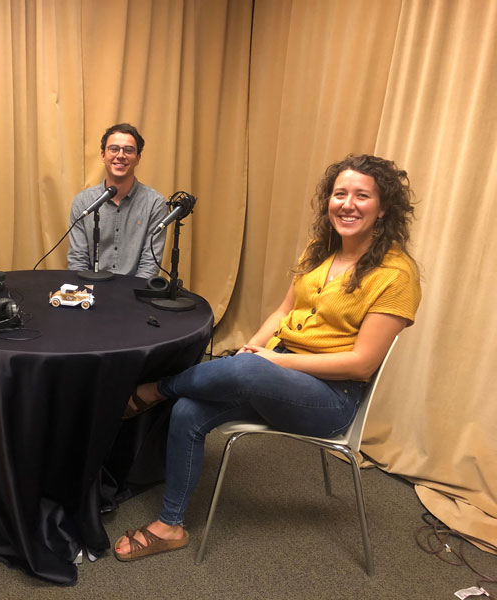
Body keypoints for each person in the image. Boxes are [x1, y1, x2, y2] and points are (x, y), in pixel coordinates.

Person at [114, 154, 421, 561]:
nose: (347, 204)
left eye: (362, 196)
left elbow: (362, 364)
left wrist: (269, 364)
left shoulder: (396, 275)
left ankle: (155, 389)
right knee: (189, 410)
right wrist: (252, 349)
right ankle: (171, 526)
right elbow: (282, 313)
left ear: (383, 208)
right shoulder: (320, 251)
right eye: (339, 193)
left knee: (241, 370)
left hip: (331, 399)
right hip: (275, 374)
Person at [67, 123, 168, 280]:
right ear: (103, 155)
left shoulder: (155, 203)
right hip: (91, 292)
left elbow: (150, 264)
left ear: (138, 158)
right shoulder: (83, 202)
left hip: (134, 295)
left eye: (128, 150)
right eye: (114, 149)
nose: (120, 155)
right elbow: (77, 261)